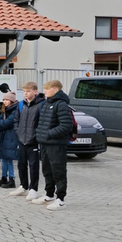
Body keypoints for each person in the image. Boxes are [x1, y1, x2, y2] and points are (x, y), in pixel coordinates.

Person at [33, 80, 72, 210]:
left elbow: (66, 126)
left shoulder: (61, 105)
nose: (44, 91)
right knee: (47, 170)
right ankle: (49, 195)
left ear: (55, 89)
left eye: (47, 89)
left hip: (56, 145)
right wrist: (40, 134)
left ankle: (60, 199)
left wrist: (48, 134)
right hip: (45, 143)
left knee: (58, 171)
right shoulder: (45, 104)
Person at [10, 82, 45, 200]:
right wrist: (18, 132)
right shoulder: (21, 105)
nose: (26, 93)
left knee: (33, 166)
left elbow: (42, 122)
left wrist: (36, 136)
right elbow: (16, 120)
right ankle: (23, 186)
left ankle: (33, 189)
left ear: (35, 92)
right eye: (24, 91)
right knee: (21, 164)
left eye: (28, 91)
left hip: (33, 141)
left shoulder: (41, 105)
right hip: (21, 140)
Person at [0, 92, 18, 189]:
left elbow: (5, 123)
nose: (5, 101)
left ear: (12, 100)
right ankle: (4, 177)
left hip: (11, 137)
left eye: (7, 100)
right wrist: (0, 123)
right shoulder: (5, 110)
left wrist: (0, 123)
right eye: (4, 100)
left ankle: (11, 179)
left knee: (8, 159)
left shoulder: (14, 110)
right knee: (3, 159)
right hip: (4, 137)